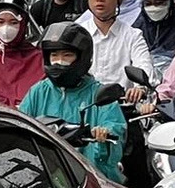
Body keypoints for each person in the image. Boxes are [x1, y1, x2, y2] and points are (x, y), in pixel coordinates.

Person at [18, 22, 126, 178]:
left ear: (82, 57)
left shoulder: (97, 93)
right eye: (54, 55)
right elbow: (21, 124)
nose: (59, 61)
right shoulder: (39, 91)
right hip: (46, 174)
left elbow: (115, 128)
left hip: (92, 176)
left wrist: (103, 134)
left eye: (67, 55)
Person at [77, 0, 155, 100]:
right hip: (83, 106)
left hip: (121, 108)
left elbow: (144, 66)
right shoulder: (77, 33)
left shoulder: (133, 36)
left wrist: (140, 87)